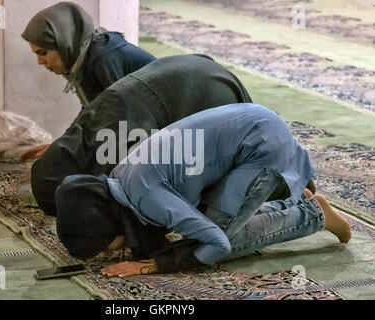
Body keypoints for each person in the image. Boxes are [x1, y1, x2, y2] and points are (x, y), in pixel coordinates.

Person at [55, 103, 352, 276]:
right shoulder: (120, 176)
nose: (109, 253)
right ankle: (292, 201)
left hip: (261, 147)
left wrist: (153, 264)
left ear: (107, 223)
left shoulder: (147, 196)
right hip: (251, 124)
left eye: (105, 246)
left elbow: (217, 242)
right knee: (198, 228)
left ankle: (314, 216)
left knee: (218, 240)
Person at [28, 54, 253, 216]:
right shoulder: (90, 128)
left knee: (216, 206)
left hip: (206, 93)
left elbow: (142, 192)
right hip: (197, 68)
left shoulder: (115, 145)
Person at [20, 2, 156, 162]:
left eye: (43, 53)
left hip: (170, 128)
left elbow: (116, 120)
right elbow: (91, 112)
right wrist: (60, 144)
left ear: (65, 41)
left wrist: (66, 147)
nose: (40, 62)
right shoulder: (85, 58)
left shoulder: (102, 59)